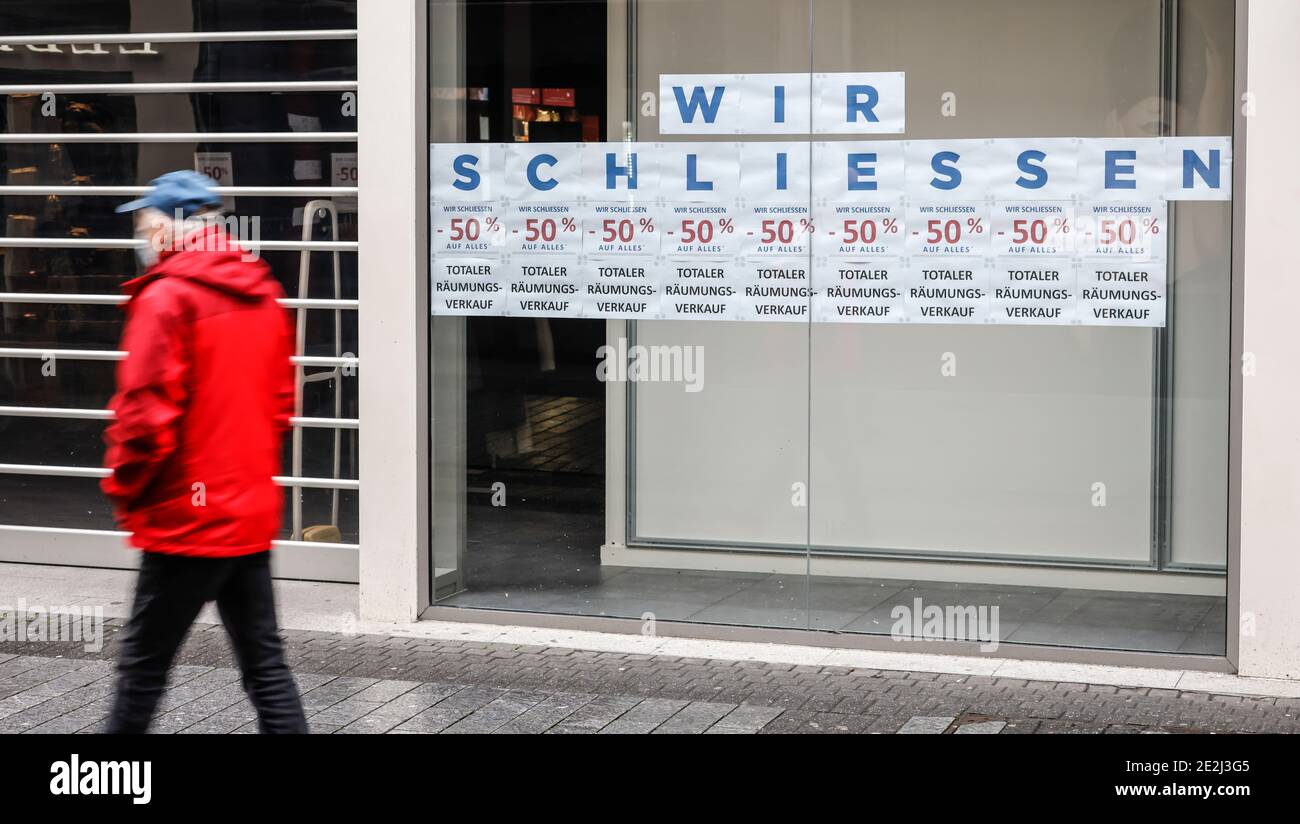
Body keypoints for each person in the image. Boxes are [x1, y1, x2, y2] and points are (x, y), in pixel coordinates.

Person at [101, 171, 308, 734]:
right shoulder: (261, 289)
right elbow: (280, 402)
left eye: (146, 223)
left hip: (187, 520)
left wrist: (125, 488)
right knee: (265, 667)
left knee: (141, 670)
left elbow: (145, 413)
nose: (142, 235)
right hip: (245, 511)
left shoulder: (167, 296)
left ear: (172, 225)